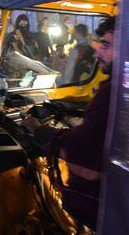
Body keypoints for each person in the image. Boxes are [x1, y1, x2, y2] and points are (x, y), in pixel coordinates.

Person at [22, 16, 115, 229]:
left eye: (107, 45)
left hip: (100, 205)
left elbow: (80, 152)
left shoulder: (113, 91)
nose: (98, 51)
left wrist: (41, 132)